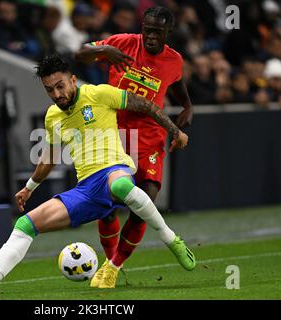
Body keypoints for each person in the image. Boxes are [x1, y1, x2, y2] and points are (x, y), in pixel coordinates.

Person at [0, 54, 195, 294]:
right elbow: (49, 159)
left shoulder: (100, 94)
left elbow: (147, 105)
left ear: (73, 79)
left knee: (120, 186)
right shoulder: (53, 117)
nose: (57, 94)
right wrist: (29, 188)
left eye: (60, 86)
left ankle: (171, 239)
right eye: (50, 90)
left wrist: (175, 131)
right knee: (25, 224)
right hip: (86, 190)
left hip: (115, 170)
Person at [74, 6, 193, 283]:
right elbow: (80, 52)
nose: (150, 37)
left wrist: (187, 106)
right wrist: (104, 52)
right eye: (147, 30)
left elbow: (175, 84)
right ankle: (109, 260)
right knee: (107, 202)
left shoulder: (174, 60)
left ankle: (113, 267)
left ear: (168, 33)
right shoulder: (122, 42)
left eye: (157, 32)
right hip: (114, 134)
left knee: (144, 202)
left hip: (149, 137)